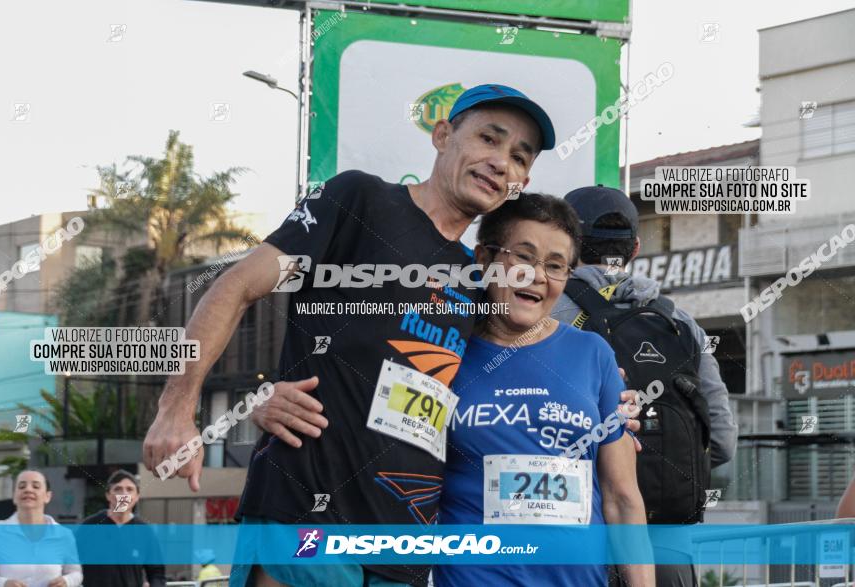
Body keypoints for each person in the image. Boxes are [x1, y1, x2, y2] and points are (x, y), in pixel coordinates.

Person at [143, 83, 557, 587]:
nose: (501, 163)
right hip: (306, 518)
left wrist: (610, 402)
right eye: (489, 140)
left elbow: (506, 382)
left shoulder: (477, 279)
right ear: (443, 135)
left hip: (403, 546)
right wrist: (177, 408)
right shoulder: (359, 199)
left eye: (518, 157)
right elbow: (236, 286)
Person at [434, 193, 653, 586]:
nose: (537, 275)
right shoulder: (444, 352)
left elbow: (623, 499)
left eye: (555, 266)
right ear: (483, 259)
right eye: (523, 256)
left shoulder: (594, 355)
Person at [553, 185, 738, 587]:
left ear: (565, 243)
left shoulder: (542, 314)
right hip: (667, 544)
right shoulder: (680, 322)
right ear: (635, 248)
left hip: (576, 539)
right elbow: (721, 441)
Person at [0, 470, 83, 587]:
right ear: (14, 496)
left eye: (36, 486)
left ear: (47, 496)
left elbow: (76, 573)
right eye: (21, 486)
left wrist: (67, 581)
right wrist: (2, 583)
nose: (28, 489)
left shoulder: (64, 535)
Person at [78, 469, 166, 587]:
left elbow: (157, 573)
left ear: (137, 497)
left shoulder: (145, 532)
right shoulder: (89, 527)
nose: (124, 494)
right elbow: (70, 565)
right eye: (118, 489)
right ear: (108, 495)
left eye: (129, 489)